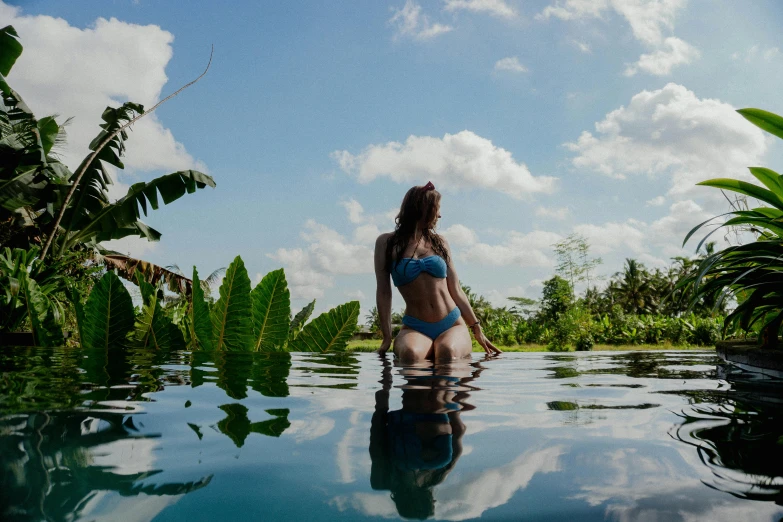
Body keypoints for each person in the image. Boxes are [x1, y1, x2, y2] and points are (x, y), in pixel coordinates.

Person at [374, 181, 502, 361]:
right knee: (411, 356)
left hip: (451, 324)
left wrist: (476, 328)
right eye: (437, 209)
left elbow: (456, 289)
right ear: (423, 209)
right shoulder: (386, 243)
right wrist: (387, 337)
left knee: (447, 352)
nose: (440, 215)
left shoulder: (440, 243)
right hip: (414, 326)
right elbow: (384, 292)